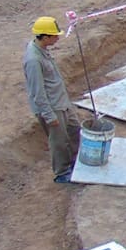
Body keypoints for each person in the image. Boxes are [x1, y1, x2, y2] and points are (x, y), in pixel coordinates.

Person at [23, 16, 80, 183]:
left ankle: (76, 162)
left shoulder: (42, 51)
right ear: (45, 36)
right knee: (59, 141)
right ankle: (62, 173)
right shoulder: (33, 60)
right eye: (55, 36)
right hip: (52, 107)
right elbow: (37, 92)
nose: (58, 38)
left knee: (75, 130)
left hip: (61, 102)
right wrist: (49, 116)